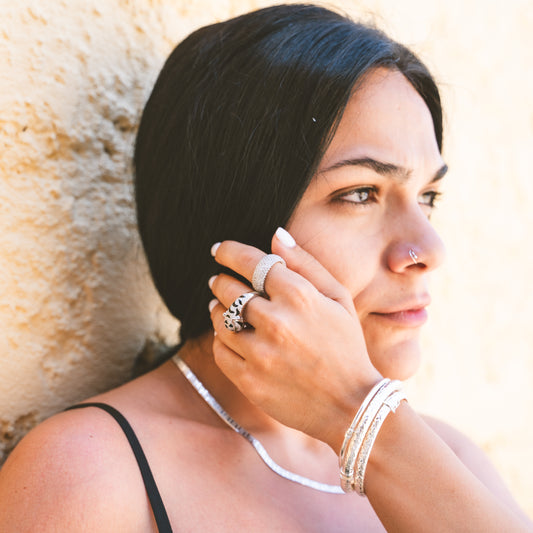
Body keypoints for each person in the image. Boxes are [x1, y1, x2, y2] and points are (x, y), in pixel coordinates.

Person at [0, 4, 531, 532]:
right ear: (235, 221)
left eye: (428, 195)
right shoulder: (90, 474)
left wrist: (365, 420)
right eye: (361, 193)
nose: (428, 248)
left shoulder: (450, 462)